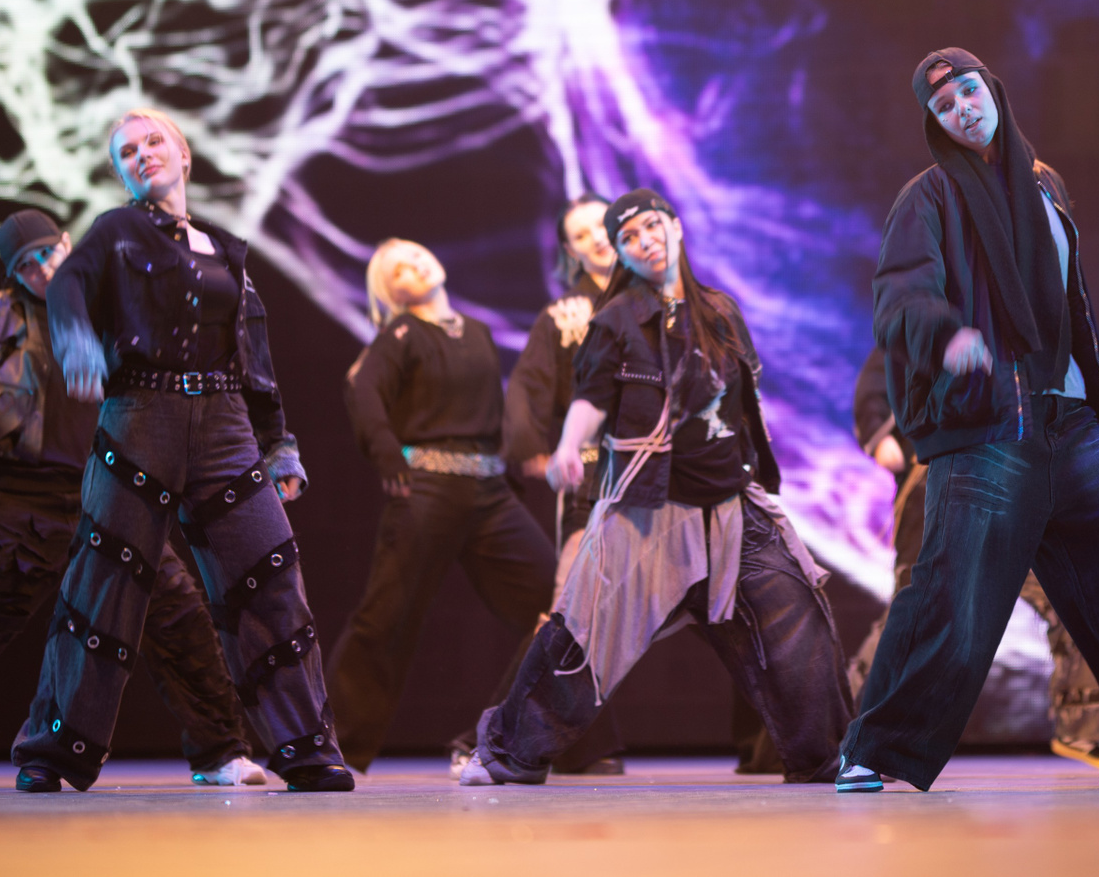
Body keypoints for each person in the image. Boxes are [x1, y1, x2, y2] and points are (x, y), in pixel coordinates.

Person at [839, 47, 1099, 793]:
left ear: (993, 91)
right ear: (934, 122)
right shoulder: (929, 196)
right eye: (944, 106)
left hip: (1069, 419)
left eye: (969, 92)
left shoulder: (1045, 185)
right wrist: (947, 335)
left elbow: (1067, 302)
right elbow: (900, 295)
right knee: (956, 599)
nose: (962, 110)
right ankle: (874, 749)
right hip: (989, 423)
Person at [0, 210, 263, 790]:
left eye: (49, 254)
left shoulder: (109, 310)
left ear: (69, 244)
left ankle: (220, 752)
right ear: (14, 273)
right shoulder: (3, 314)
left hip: (113, 494)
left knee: (178, 620)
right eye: (28, 264)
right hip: (20, 502)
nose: (44, 270)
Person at [9, 108, 352, 792]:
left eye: (153, 141)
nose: (143, 154)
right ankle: (51, 754)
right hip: (142, 416)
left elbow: (253, 353)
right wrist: (76, 342)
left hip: (225, 424)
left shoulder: (226, 250)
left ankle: (307, 750)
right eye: (127, 152)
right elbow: (68, 284)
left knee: (270, 577)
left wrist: (278, 444)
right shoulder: (115, 231)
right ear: (121, 174)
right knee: (104, 580)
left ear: (184, 155)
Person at [458, 189, 851, 785]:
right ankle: (506, 754)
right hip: (650, 510)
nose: (645, 241)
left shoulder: (720, 310)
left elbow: (746, 399)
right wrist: (567, 446)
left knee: (798, 616)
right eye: (630, 238)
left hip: (732, 509)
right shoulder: (615, 319)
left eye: (651, 226)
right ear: (622, 254)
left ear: (675, 225)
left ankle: (824, 758)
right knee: (584, 633)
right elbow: (592, 397)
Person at [326, 239, 556, 771]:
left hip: (490, 492)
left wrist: (513, 463)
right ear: (391, 294)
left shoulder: (476, 331)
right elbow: (363, 390)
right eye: (398, 270)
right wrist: (387, 453)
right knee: (387, 615)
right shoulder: (400, 335)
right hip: (428, 490)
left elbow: (493, 409)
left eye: (416, 255)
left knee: (558, 607)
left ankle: (502, 739)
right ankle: (333, 746)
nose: (414, 265)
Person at [849, 346, 1099, 767]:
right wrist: (881, 437)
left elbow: (1077, 348)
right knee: (917, 612)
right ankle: (846, 727)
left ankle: (1083, 727)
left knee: (1073, 594)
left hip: (1020, 485)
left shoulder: (1026, 327)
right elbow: (882, 376)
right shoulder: (934, 322)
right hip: (940, 483)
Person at [452, 193, 628, 777]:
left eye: (600, 224)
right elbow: (529, 385)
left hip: (674, 477)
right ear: (571, 252)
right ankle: (488, 737)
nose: (596, 237)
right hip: (595, 477)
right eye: (580, 234)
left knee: (727, 603)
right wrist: (534, 450)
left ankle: (789, 744)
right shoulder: (566, 315)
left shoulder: (667, 298)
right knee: (571, 613)